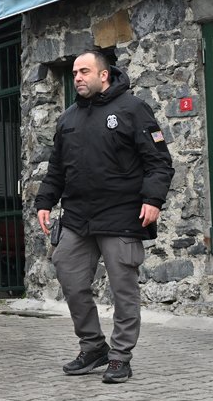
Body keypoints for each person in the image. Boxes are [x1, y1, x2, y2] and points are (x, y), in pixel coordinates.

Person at [35, 51, 173, 384]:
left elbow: (159, 162)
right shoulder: (68, 118)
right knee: (69, 276)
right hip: (78, 217)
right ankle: (93, 346)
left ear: (104, 75)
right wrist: (45, 201)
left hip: (122, 215)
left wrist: (153, 199)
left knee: (123, 288)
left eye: (84, 71)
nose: (77, 78)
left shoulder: (132, 109)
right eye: (74, 73)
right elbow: (57, 167)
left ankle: (120, 356)